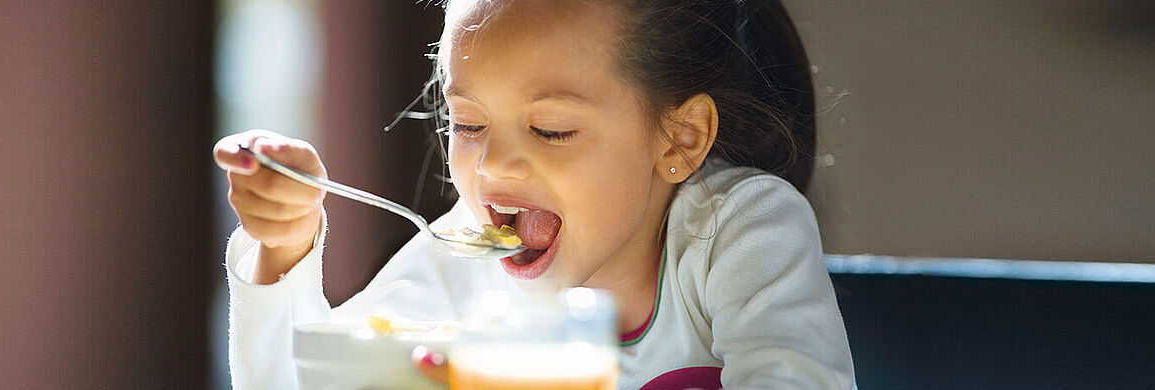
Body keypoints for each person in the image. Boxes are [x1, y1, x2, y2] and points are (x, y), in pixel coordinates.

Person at [213, 0, 855, 388]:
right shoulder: (466, 258)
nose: (491, 166)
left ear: (680, 139)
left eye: (551, 130)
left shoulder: (737, 232)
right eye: (467, 124)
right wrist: (285, 247)